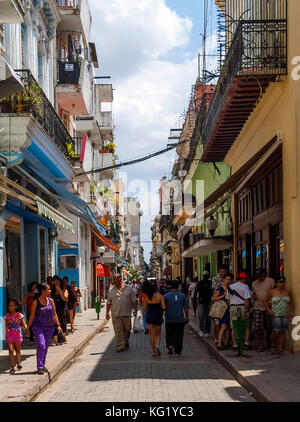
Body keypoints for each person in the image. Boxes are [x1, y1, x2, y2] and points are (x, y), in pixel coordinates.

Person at [26, 283, 62, 375]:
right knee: (41, 344)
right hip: (38, 327)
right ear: (43, 291)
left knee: (46, 346)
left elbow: (54, 314)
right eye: (48, 289)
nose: (50, 291)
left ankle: (43, 364)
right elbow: (32, 315)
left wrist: (58, 325)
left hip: (49, 327)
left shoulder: (51, 301)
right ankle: (40, 367)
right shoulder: (36, 302)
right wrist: (27, 327)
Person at [106, 274, 138, 352]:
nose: (115, 281)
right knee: (118, 330)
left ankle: (125, 342)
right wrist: (107, 312)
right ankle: (120, 346)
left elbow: (133, 300)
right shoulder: (111, 290)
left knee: (127, 330)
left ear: (120, 279)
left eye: (116, 279)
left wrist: (136, 309)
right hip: (116, 314)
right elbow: (109, 302)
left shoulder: (129, 288)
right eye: (114, 279)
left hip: (126, 313)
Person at [264, 276, 294, 355]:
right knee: (277, 330)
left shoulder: (288, 292)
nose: (282, 283)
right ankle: (272, 342)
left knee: (283, 331)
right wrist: (269, 310)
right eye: (280, 282)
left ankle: (280, 348)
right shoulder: (272, 292)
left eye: (283, 282)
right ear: (276, 283)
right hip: (276, 314)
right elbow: (265, 301)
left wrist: (291, 313)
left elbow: (291, 303)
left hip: (284, 314)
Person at [226, 273, 251, 352]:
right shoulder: (245, 286)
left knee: (233, 326)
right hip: (242, 306)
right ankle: (246, 343)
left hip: (233, 307)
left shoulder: (230, 286)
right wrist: (247, 310)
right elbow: (247, 300)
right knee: (245, 325)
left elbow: (228, 299)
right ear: (243, 279)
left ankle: (235, 344)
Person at [164, 281, 189, 356]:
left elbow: (163, 307)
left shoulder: (166, 296)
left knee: (169, 333)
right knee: (179, 334)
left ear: (170, 286)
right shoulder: (182, 295)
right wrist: (187, 316)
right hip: (180, 318)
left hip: (169, 318)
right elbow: (185, 307)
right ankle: (178, 350)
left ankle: (170, 345)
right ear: (178, 287)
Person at [252, 268, 274, 352]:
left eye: (260, 276)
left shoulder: (271, 281)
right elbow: (254, 292)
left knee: (269, 327)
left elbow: (274, 292)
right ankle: (260, 344)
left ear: (264, 274)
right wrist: (253, 295)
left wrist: (271, 303)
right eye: (257, 276)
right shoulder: (254, 283)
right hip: (257, 307)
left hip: (268, 307)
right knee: (259, 327)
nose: (258, 278)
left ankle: (269, 341)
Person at [5, 300, 27, 375]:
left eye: (12, 305)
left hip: (17, 335)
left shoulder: (20, 315)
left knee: (17, 350)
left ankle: (18, 362)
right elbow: (6, 326)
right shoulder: (7, 316)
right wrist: (5, 335)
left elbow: (24, 324)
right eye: (9, 305)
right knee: (11, 350)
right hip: (9, 335)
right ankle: (12, 367)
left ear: (16, 307)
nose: (10, 307)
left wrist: (27, 331)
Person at [144, 282, 166, 358]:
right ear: (156, 289)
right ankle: (157, 346)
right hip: (158, 316)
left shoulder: (147, 297)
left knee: (152, 335)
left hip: (150, 316)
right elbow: (163, 307)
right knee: (158, 334)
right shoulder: (160, 296)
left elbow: (144, 309)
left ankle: (153, 352)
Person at [213, 274, 233, 350]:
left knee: (228, 327)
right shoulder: (220, 288)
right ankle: (219, 344)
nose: (228, 281)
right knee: (223, 326)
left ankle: (226, 343)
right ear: (224, 280)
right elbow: (214, 298)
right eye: (227, 279)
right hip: (223, 309)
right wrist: (223, 296)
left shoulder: (231, 288)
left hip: (229, 309)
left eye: (229, 279)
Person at [211, 265, 229, 344]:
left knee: (224, 322)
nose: (223, 273)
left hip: (226, 303)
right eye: (222, 271)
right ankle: (216, 337)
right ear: (218, 271)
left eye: (224, 271)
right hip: (218, 302)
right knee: (217, 322)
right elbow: (216, 290)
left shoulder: (228, 278)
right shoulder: (215, 279)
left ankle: (223, 338)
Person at [18, 281, 38, 346]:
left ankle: (37, 338)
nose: (35, 288)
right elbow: (23, 302)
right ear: (31, 288)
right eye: (34, 286)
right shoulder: (28, 295)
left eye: (36, 287)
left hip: (37, 313)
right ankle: (31, 340)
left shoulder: (38, 295)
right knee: (31, 326)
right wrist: (16, 302)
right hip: (30, 312)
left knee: (37, 326)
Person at [51, 276, 69, 345]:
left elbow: (65, 298)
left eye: (58, 281)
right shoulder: (52, 291)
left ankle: (64, 338)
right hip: (55, 310)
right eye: (55, 281)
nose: (56, 282)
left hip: (62, 309)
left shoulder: (64, 290)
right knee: (54, 324)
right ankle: (55, 341)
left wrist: (59, 291)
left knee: (62, 323)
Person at [195, 271, 213, 338]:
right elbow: (196, 291)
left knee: (208, 318)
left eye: (206, 276)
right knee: (201, 317)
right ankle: (202, 330)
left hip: (208, 302)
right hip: (201, 303)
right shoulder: (200, 283)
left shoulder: (210, 283)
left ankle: (207, 331)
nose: (205, 277)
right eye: (204, 276)